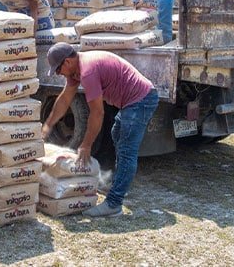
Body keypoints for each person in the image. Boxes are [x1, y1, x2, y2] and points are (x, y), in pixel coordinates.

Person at [42, 42, 159, 217]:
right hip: (131, 102)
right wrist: (48, 125)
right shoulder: (75, 71)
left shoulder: (88, 71)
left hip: (140, 100)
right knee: (116, 134)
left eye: (58, 70)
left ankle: (114, 203)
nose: (59, 74)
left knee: (127, 151)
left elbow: (97, 113)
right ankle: (119, 184)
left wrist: (86, 144)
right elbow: (65, 99)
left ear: (67, 62)